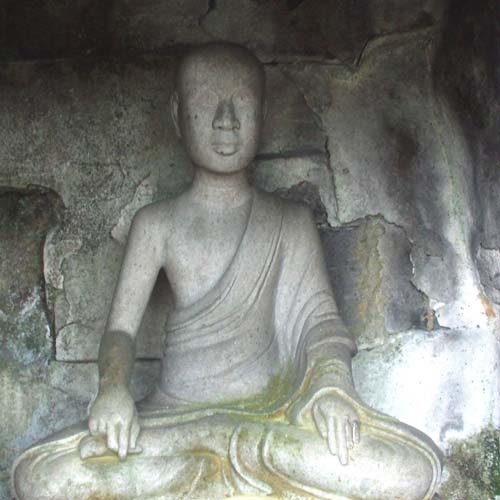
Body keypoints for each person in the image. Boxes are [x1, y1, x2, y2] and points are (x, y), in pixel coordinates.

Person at [12, 42, 442, 500]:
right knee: (41, 477)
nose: (225, 120)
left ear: (263, 116)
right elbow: (120, 330)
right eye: (206, 102)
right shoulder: (157, 224)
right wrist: (113, 390)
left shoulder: (290, 223)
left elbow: (320, 323)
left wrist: (332, 388)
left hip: (267, 422)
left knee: (410, 469)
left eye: (242, 103)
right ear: (177, 114)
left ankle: (213, 471)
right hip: (174, 422)